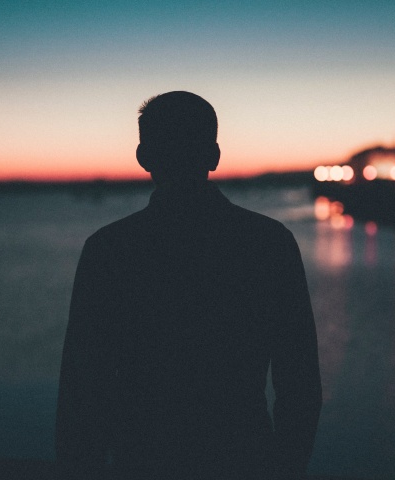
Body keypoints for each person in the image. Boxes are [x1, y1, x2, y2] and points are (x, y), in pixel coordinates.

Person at [55, 91, 322, 480]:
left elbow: (82, 385)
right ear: (214, 155)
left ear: (144, 157)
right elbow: (299, 382)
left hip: (142, 459)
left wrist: (81, 465)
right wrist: (285, 466)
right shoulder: (268, 242)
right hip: (244, 456)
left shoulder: (110, 249)